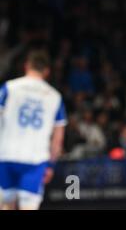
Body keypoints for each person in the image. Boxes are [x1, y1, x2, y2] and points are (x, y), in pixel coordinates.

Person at [0, 50, 66, 210]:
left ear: (26, 66)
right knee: (29, 206)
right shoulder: (55, 97)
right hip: (35, 159)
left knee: (5, 204)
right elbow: (58, 139)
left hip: (6, 155)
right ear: (47, 71)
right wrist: (51, 165)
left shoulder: (9, 88)